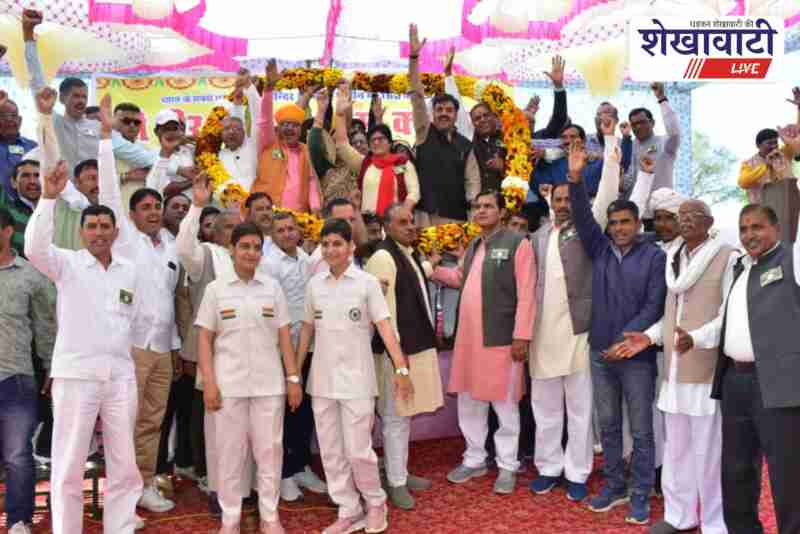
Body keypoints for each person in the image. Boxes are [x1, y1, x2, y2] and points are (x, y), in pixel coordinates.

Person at [25, 160, 143, 534]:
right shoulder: (66, 264)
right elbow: (33, 248)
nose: (98, 232)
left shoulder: (129, 270)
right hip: (76, 376)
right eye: (91, 226)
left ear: (115, 230)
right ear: (80, 233)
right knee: (68, 465)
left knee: (125, 464)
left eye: (105, 226)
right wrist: (47, 197)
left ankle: (120, 527)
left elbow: (132, 320)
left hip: (120, 377)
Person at [621, 199, 735, 534]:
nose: (684, 222)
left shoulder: (726, 257)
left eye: (692, 216)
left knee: (709, 454)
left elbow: (727, 317)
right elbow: (669, 318)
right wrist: (650, 337)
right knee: (676, 452)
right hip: (673, 372)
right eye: (680, 216)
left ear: (709, 221)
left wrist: (696, 339)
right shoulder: (673, 259)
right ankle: (679, 516)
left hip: (704, 372)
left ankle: (715, 524)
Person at [568, 140, 667, 525]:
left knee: (641, 431)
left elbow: (654, 305)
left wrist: (626, 340)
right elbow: (581, 215)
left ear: (638, 224)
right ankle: (615, 485)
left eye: (626, 222)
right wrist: (575, 180)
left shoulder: (654, 256)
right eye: (614, 223)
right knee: (607, 426)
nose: (619, 228)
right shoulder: (601, 249)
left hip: (635, 356)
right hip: (600, 354)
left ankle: (641, 492)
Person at [294, 218, 413, 534]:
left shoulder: (366, 283)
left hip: (358, 381)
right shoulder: (315, 285)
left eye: (337, 243)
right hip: (321, 382)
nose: (331, 249)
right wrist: (293, 374)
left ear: (350, 247)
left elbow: (386, 328)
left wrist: (401, 369)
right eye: (326, 243)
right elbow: (306, 330)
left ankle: (375, 503)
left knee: (358, 450)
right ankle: (349, 508)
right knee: (331, 451)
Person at [527, 115, 621, 503]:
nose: (564, 204)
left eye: (569, 199)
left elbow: (604, 195)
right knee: (545, 407)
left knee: (580, 409)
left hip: (580, 333)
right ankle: (548, 467)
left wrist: (611, 143)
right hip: (541, 336)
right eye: (559, 199)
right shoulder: (536, 237)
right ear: (549, 201)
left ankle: (578, 471)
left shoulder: (588, 230)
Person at [96, 96, 181, 514]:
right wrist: (106, 139)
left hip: (163, 349)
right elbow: (111, 191)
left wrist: (163, 158)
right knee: (124, 425)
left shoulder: (169, 244)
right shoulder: (126, 241)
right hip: (133, 349)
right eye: (144, 207)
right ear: (129, 216)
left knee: (152, 423)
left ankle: (144, 485)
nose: (152, 211)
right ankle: (122, 499)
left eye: (156, 207)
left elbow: (171, 297)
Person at [196, 221, 302, 534]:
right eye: (245, 246)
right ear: (232, 250)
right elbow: (204, 339)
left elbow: (284, 337)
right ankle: (230, 519)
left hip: (269, 386)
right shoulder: (216, 290)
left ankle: (270, 516)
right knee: (230, 455)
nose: (251, 253)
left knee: (269, 451)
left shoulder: (272, 288)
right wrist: (210, 383)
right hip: (228, 387)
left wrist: (293, 379)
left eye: (256, 247)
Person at [431, 189, 536, 494]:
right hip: (469, 341)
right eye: (477, 206)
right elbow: (461, 278)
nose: (481, 211)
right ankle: (475, 458)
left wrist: (522, 336)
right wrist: (435, 269)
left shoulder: (518, 244)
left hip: (501, 338)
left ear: (502, 212)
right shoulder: (476, 244)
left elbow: (527, 293)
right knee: (469, 400)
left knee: (504, 404)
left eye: (488, 206)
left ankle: (507, 465)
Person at [708, 203, 800, 534]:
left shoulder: (791, 260)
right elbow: (725, 322)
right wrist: (692, 337)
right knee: (735, 470)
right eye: (744, 228)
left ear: (777, 229)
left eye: (757, 227)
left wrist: (794, 164)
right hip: (735, 382)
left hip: (776, 385)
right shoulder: (742, 269)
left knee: (788, 475)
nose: (749, 235)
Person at [365, 204, 442, 510]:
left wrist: (430, 266)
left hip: (409, 350)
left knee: (403, 416)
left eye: (412, 222)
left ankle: (400, 473)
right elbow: (380, 311)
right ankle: (395, 484)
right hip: (395, 354)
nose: (411, 227)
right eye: (402, 222)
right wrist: (398, 360)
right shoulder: (383, 257)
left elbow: (412, 281)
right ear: (387, 226)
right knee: (395, 418)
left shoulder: (403, 253)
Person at [261, 211, 328, 502]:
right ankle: (284, 474)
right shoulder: (269, 264)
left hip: (309, 347)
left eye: (291, 229)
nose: (287, 234)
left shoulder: (305, 258)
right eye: (281, 230)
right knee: (286, 414)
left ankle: (301, 466)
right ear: (272, 235)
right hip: (283, 350)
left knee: (305, 411)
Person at [0, 208, 55, 534]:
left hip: (16, 377)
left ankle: (19, 521)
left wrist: (50, 364)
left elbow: (46, 324)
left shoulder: (30, 275)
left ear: (8, 231)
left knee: (18, 455)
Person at [408, 24, 473, 225]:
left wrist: (474, 216)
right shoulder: (424, 133)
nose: (444, 114)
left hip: (458, 219)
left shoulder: (465, 144)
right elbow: (417, 97)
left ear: (456, 115)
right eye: (439, 110)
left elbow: (472, 182)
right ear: (432, 114)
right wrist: (414, 59)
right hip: (425, 218)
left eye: (449, 110)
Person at [332, 89, 420, 218]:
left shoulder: (402, 163)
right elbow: (342, 145)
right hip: (369, 227)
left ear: (390, 143)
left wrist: (403, 212)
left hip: (396, 224)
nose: (377, 142)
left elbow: (414, 192)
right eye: (373, 140)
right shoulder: (365, 163)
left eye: (381, 139)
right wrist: (339, 116)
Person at [252, 60, 322, 213]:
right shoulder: (269, 143)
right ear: (278, 128)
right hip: (267, 215)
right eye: (285, 124)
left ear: (300, 130)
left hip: (297, 220)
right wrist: (269, 90)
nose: (289, 129)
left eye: (294, 125)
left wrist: (316, 207)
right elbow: (264, 121)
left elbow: (311, 181)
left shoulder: (306, 150)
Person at [620, 83, 681, 227]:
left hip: (662, 213)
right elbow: (625, 181)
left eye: (642, 122)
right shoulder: (628, 146)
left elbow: (675, 131)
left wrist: (661, 99)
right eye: (634, 124)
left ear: (652, 123)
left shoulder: (665, 143)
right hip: (635, 216)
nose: (637, 127)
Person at [737, 125, 800, 243]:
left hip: (786, 211)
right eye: (769, 143)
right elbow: (743, 182)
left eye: (776, 142)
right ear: (758, 146)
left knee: (786, 245)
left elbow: (797, 142)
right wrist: (766, 165)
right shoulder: (748, 163)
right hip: (762, 214)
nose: (774, 146)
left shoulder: (784, 152)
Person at [145, 109, 197, 197]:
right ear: (156, 132)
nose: (171, 132)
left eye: (174, 128)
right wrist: (196, 179)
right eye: (166, 129)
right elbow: (167, 190)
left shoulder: (190, 149)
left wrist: (193, 139)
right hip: (171, 208)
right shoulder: (152, 154)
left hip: (195, 206)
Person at [0, 92, 37, 199]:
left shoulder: (33, 147)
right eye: (2, 116)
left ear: (20, 120)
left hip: (27, 211)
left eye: (13, 116)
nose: (9, 119)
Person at [0, 159, 40, 256]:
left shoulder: (60, 214)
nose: (32, 181)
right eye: (25, 176)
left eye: (37, 176)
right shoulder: (6, 212)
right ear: (13, 182)